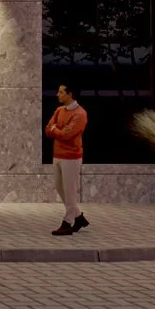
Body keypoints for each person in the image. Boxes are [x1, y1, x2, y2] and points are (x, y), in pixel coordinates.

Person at [45, 82, 89, 236]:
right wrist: (56, 130)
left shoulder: (80, 114)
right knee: (60, 188)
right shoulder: (59, 110)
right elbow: (48, 130)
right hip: (57, 155)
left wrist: (55, 129)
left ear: (70, 94)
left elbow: (67, 134)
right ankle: (79, 217)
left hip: (71, 157)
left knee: (70, 192)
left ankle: (67, 223)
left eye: (61, 92)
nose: (58, 94)